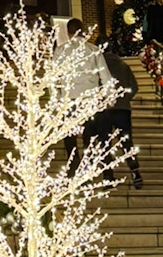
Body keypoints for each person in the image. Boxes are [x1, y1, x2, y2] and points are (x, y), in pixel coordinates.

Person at [55, 18, 111, 175]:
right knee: (90, 134)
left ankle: (74, 166)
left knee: (69, 135)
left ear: (68, 32)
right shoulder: (93, 50)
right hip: (90, 98)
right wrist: (106, 97)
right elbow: (105, 76)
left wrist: (58, 99)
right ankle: (89, 164)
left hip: (69, 98)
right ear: (83, 31)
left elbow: (55, 78)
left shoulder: (60, 51)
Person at [95, 46, 144, 189]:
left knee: (104, 144)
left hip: (104, 109)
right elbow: (134, 87)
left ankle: (108, 176)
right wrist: (125, 98)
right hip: (123, 109)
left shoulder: (98, 66)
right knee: (127, 142)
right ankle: (135, 171)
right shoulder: (124, 65)